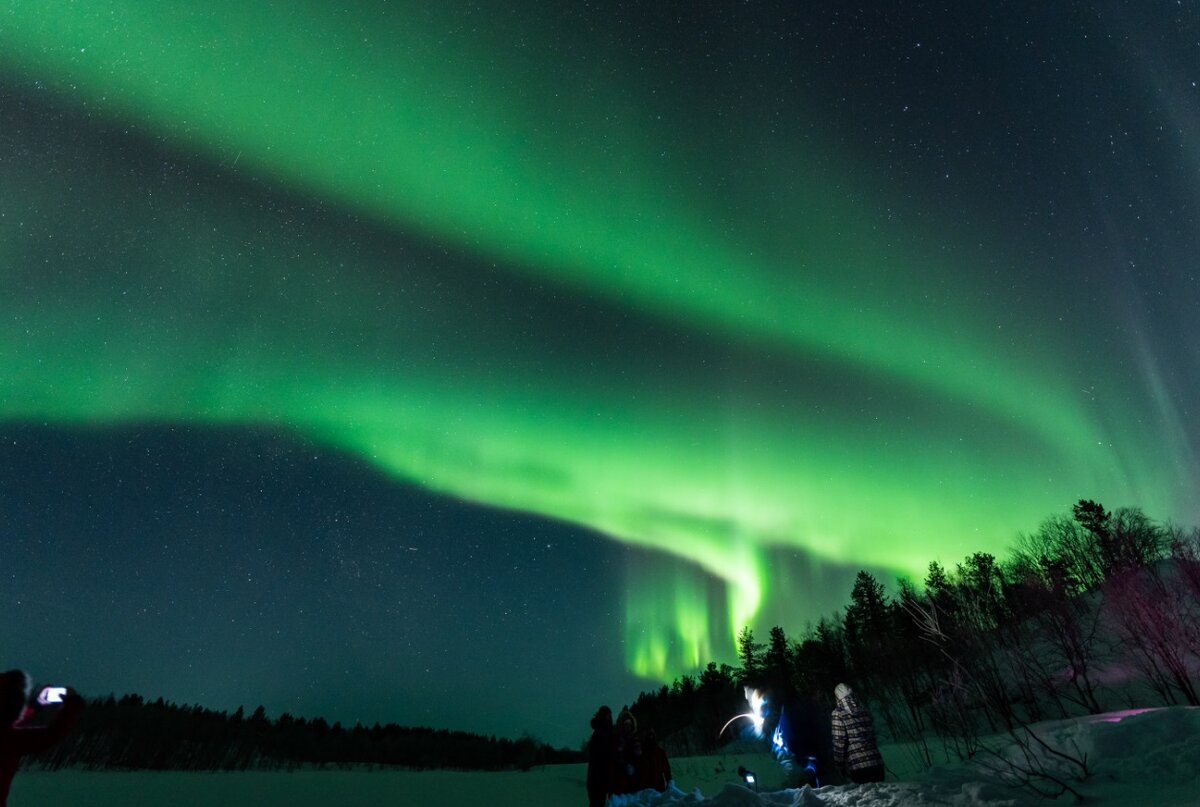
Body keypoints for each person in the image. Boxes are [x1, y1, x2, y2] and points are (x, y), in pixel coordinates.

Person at [1, 670, 85, 806]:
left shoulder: (8, 737)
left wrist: (36, 706)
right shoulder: (11, 740)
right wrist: (73, 705)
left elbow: (7, 722)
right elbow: (54, 733)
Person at [830, 683, 884, 784]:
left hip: (858, 766)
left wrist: (839, 765)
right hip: (877, 762)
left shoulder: (838, 713)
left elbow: (839, 741)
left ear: (837, 697)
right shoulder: (864, 708)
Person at [586, 705, 616, 807]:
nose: (609, 717)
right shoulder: (601, 732)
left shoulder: (608, 731)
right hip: (598, 777)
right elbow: (599, 755)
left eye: (609, 715)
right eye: (607, 715)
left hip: (606, 775)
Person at [639, 728, 672, 793]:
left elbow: (666, 768)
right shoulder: (642, 751)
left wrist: (669, 781)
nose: (650, 737)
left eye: (652, 735)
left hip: (659, 783)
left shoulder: (660, 752)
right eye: (649, 735)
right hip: (646, 784)